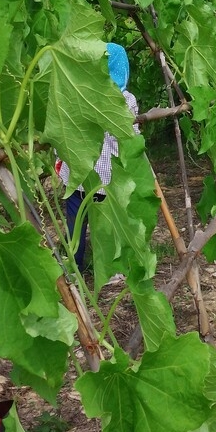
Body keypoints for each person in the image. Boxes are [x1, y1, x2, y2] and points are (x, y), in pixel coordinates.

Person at [55, 42, 139, 272]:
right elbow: (131, 138)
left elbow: (65, 130)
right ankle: (110, 269)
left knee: (76, 222)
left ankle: (75, 266)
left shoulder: (78, 93)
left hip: (78, 172)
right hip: (108, 177)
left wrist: (58, 156)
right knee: (106, 225)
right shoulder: (126, 100)